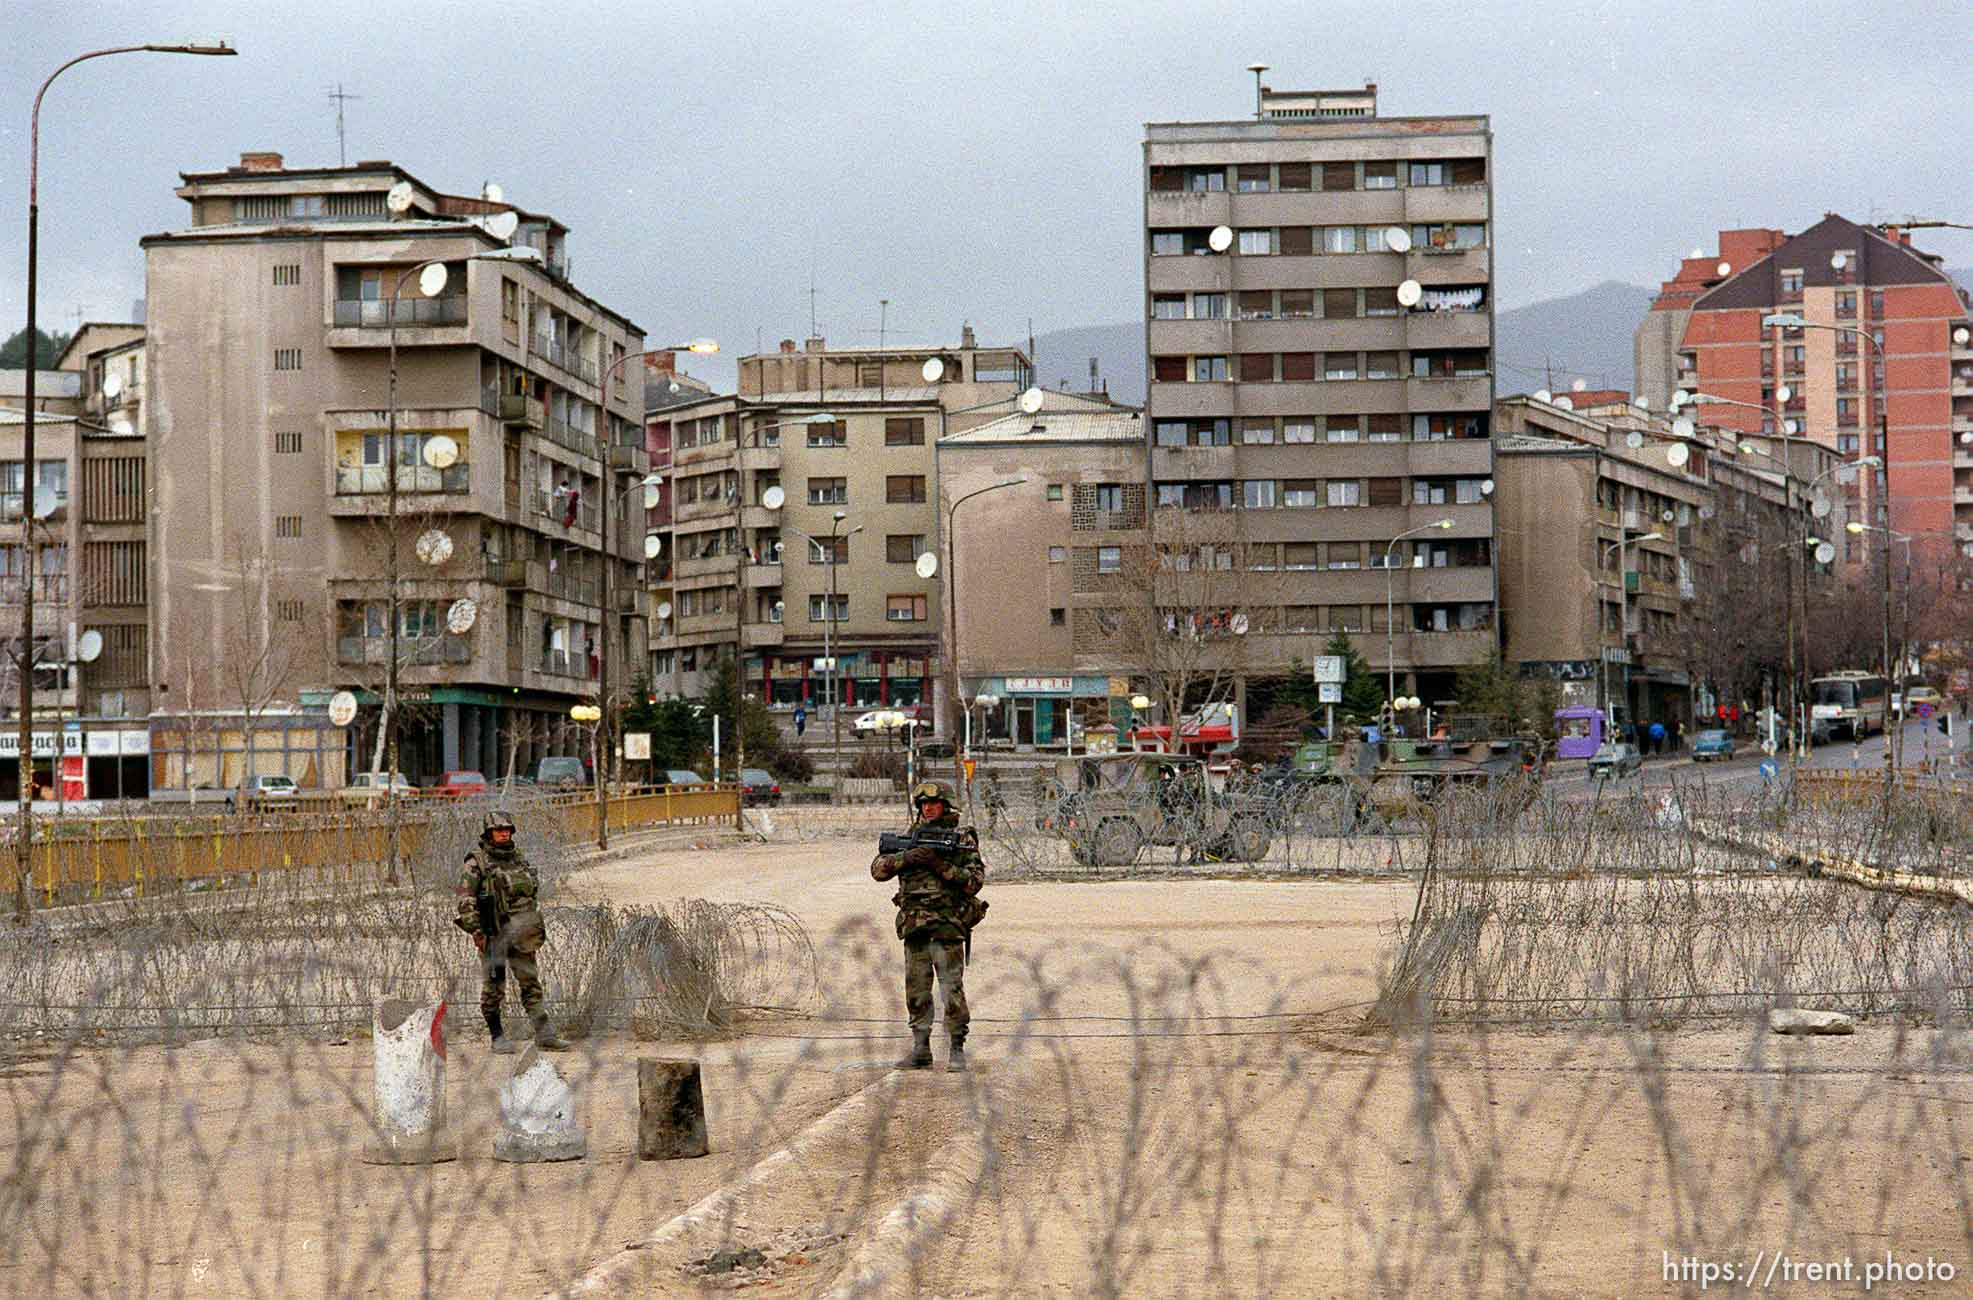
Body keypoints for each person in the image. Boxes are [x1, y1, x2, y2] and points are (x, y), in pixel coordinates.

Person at [870, 780, 987, 1072]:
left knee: (952, 990)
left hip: (947, 927)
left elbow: (974, 882)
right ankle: (921, 1049)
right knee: (917, 991)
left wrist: (939, 865)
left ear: (945, 805)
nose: (928, 808)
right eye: (923, 804)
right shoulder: (911, 837)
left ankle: (957, 1049)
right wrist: (906, 858)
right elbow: (877, 869)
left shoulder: (961, 839)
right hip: (915, 928)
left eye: (933, 804)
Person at [454, 809, 564, 1052]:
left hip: (523, 932)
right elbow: (465, 900)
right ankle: (497, 1037)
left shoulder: (518, 858)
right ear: (488, 833)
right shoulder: (476, 862)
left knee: (530, 983)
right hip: (494, 934)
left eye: (506, 829)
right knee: (494, 988)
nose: (503, 834)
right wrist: (477, 932)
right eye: (497, 830)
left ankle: (544, 1034)